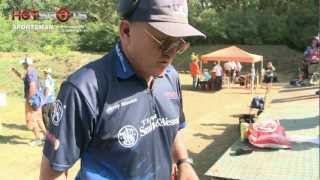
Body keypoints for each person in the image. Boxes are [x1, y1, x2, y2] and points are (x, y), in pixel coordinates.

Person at [40, 0, 205, 179]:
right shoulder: (84, 90)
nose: (171, 52)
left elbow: (172, 125)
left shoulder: (170, 77)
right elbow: (52, 172)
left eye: (179, 44)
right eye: (164, 41)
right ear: (126, 31)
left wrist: (183, 163)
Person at [11, 56, 46, 146]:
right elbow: (24, 79)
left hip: (32, 98)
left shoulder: (30, 72)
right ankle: (46, 137)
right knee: (39, 119)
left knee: (31, 119)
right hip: (36, 98)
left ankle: (38, 139)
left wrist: (30, 99)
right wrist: (16, 72)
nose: (22, 65)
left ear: (26, 64)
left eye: (23, 63)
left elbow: (32, 85)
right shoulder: (32, 71)